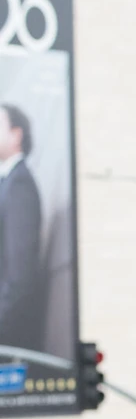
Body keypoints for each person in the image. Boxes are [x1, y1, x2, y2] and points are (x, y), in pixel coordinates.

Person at [0, 103, 46, 352]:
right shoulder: (7, 183)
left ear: (16, 135)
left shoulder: (19, 186)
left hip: (10, 338)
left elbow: (19, 273)